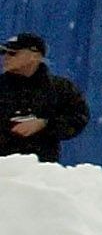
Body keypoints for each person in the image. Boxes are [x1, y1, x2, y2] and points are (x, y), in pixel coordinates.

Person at [1, 31, 90, 163]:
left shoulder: (60, 88)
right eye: (4, 53)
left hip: (41, 169)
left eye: (13, 53)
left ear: (35, 56)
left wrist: (44, 124)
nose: (6, 57)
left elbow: (78, 118)